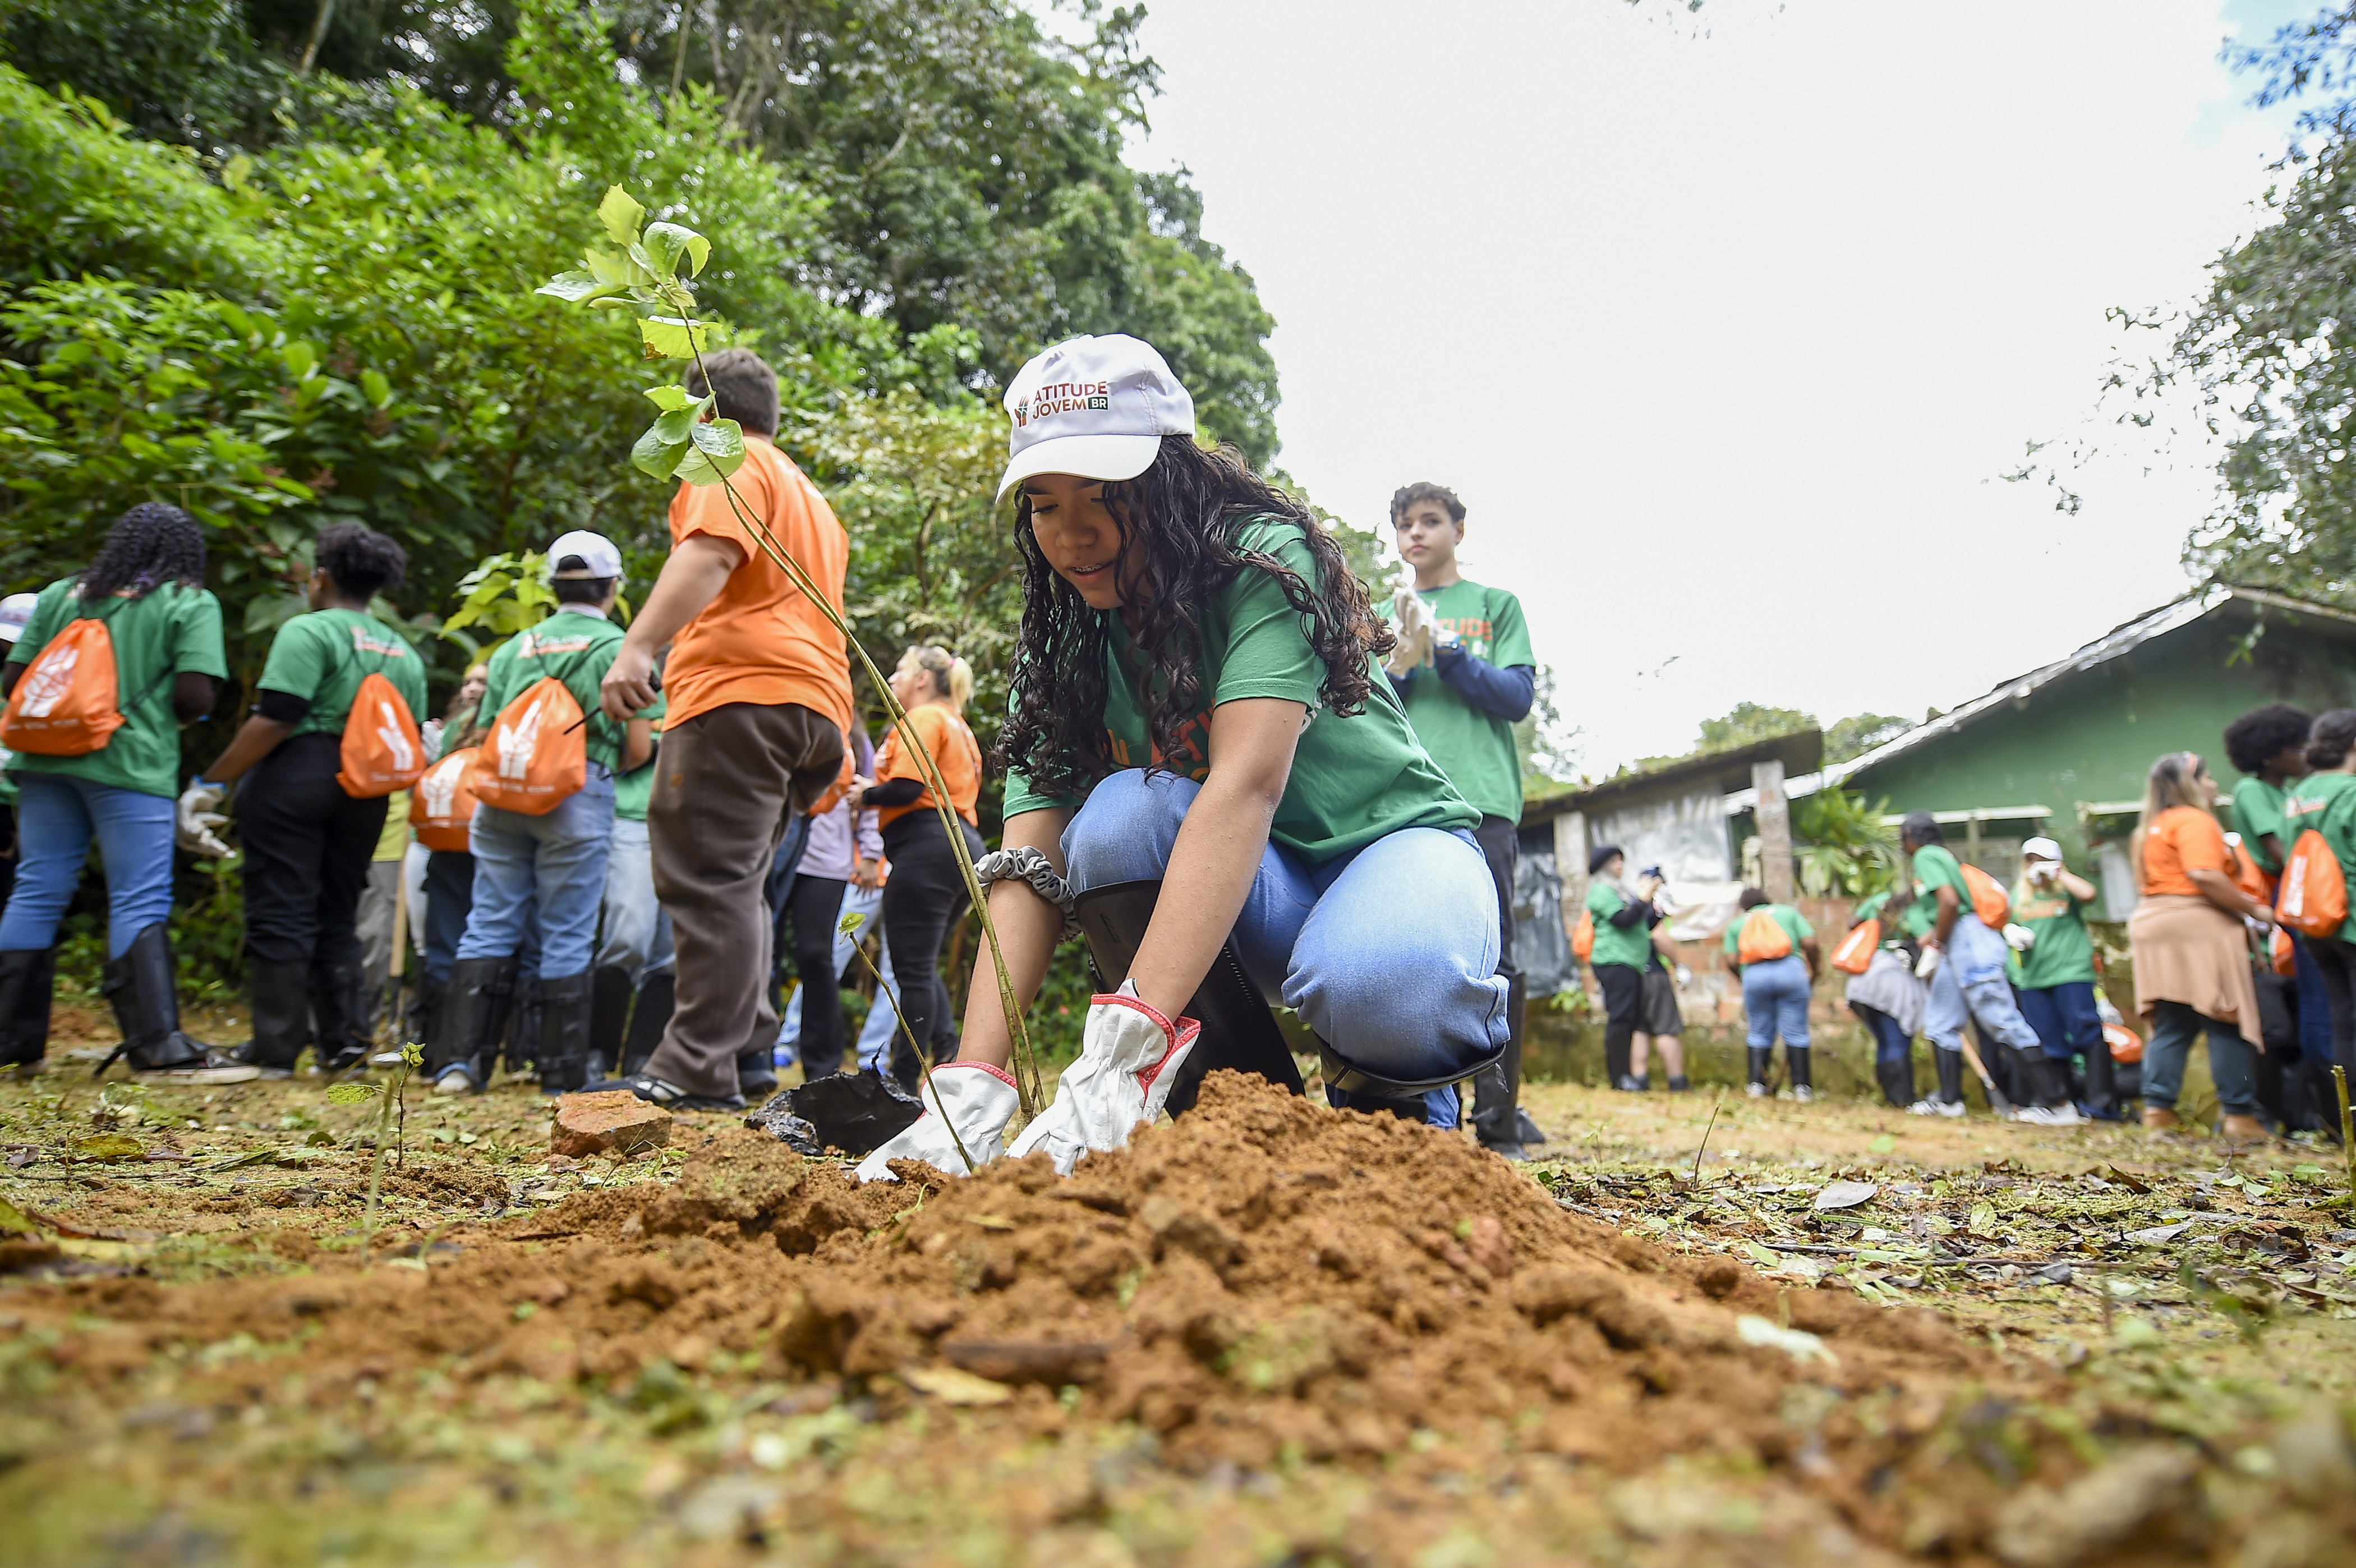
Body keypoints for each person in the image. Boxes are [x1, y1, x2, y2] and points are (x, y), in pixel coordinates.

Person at [858, 333, 1508, 1180]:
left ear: (1169, 476)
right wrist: (974, 1080)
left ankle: (1395, 1116)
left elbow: (1242, 786)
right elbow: (1025, 866)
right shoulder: (1064, 646)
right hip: (1252, 892)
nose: (1073, 531)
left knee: (1381, 981)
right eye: (1045, 503)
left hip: (1393, 851)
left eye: (1104, 493)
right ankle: (1243, 1115)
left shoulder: (1262, 561)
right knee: (1118, 818)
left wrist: (1119, 1043)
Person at [595, 348, 853, 1112]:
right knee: (739, 884)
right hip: (811, 704)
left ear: (704, 416)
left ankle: (693, 1063)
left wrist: (637, 645)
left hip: (740, 694)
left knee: (709, 878)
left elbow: (710, 553)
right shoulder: (810, 495)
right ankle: (744, 1053)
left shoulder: (727, 458)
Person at [0, 504, 251, 1080]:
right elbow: (194, 697)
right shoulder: (188, 601)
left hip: (42, 760)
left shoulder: (65, 594)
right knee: (138, 895)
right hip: (129, 765)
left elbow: (15, 682)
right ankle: (157, 1047)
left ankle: (12, 1044)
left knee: (37, 888)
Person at [191, 524, 427, 1076]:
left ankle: (275, 1046)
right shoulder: (404, 651)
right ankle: (344, 1046)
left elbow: (277, 715)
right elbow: (408, 733)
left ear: (321, 578)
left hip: (298, 774)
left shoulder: (309, 630)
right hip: (365, 789)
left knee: (282, 906)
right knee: (338, 912)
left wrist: (214, 780)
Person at [431, 532, 655, 1096]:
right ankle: (560, 1070)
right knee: (568, 928)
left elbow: (488, 729)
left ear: (553, 586)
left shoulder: (514, 647)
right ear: (612, 587)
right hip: (575, 799)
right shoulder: (618, 648)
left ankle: (461, 1063)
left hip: (502, 799)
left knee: (489, 918)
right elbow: (639, 750)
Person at [1378, 481, 1540, 1154]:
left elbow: (1516, 696)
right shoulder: (1386, 609)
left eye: (1431, 521)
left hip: (1485, 800)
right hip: (1407, 799)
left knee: (1493, 953)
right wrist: (1405, 665)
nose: (1417, 533)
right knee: (1412, 950)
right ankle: (1418, 1108)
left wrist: (1446, 650)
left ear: (1459, 530)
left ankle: (1498, 1120)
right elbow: (1372, 703)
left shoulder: (1495, 605)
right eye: (1406, 524)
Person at [849, 646, 985, 1091]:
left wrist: (865, 795)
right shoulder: (960, 727)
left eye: (900, 671)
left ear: (924, 679)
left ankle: (904, 1081)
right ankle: (945, 1047)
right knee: (921, 964)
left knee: (910, 969)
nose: (891, 679)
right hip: (960, 845)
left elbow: (908, 788)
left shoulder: (924, 718)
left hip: (928, 844)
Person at [2129, 751, 2274, 1139]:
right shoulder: (2196, 820)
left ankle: (2158, 1112)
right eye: (2208, 778)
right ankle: (2239, 1116)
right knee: (2226, 1017)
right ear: (2191, 783)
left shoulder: (2150, 827)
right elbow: (2204, 874)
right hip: (2196, 924)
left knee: (2174, 1022)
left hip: (2152, 922)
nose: (2214, 785)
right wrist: (2254, 909)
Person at [1896, 812, 2047, 1119]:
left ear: (1912, 836)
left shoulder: (1927, 856)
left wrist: (1936, 945)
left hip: (1968, 940)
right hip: (1957, 942)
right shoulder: (1942, 857)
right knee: (1940, 1022)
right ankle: (1951, 1101)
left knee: (2002, 1020)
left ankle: (2055, 1103)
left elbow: (1949, 902)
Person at [2225, 702, 2327, 1130]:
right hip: (2293, 890)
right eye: (2292, 745)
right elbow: (2282, 854)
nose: (2301, 751)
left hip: (2306, 886)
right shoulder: (2253, 791)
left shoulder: (2288, 791)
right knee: (2319, 997)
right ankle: (2319, 1113)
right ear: (2268, 752)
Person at [775, 725, 884, 1076]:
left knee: (817, 955)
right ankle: (755, 1056)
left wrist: (870, 852)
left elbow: (866, 799)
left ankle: (822, 1067)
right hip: (774, 852)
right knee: (764, 949)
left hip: (828, 864)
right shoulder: (789, 716)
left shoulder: (854, 738)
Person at [588, 715, 676, 1080]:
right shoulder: (638, 679)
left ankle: (645, 1056)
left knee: (671, 951)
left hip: (688, 824)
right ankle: (598, 1050)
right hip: (630, 818)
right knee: (627, 934)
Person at [2286, 710, 2356, 1132]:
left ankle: (2345, 1118)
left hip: (2315, 925)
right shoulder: (2350, 790)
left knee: (2343, 1022)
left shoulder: (2299, 794)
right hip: (2352, 914)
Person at [2008, 836, 2105, 1124]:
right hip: (2034, 977)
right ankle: (2063, 1104)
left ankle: (2102, 1105)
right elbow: (2004, 919)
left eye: (2042, 859)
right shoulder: (2019, 894)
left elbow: (2089, 894)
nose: (2035, 865)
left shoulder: (2065, 888)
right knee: (2048, 1040)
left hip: (2070, 972)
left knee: (2086, 1032)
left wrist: (2058, 874)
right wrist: (2012, 934)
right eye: (2030, 859)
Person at [1720, 886, 1820, 1098]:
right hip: (1790, 971)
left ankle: (1757, 1085)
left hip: (1754, 975)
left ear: (1743, 907)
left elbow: (1730, 959)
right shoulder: (1787, 913)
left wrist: (1743, 977)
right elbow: (1810, 942)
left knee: (1759, 1032)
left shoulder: (1738, 923)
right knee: (1796, 1032)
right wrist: (1816, 969)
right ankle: (1802, 1088)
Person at [1584, 846, 1661, 1091]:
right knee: (1621, 1018)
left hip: (1632, 962)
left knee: (1630, 1019)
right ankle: (1619, 1077)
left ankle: (1627, 1074)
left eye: (1621, 861)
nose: (1620, 866)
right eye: (1615, 861)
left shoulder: (1622, 891)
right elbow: (1623, 920)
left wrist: (1656, 910)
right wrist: (1643, 900)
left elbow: (1642, 922)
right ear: (1604, 865)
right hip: (1614, 960)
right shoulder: (1601, 890)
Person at [1842, 890, 1927, 1108]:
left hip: (1862, 980)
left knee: (1884, 1040)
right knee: (1896, 1039)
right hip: (1891, 979)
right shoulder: (1914, 909)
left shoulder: (1877, 901)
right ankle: (1903, 1099)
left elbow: (1853, 923)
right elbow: (1925, 937)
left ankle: (1890, 1097)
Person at [1634, 925, 1690, 1093]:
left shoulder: (1624, 902)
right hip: (1653, 972)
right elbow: (1658, 936)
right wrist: (1678, 964)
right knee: (1666, 1028)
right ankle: (1677, 1080)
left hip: (1632, 973)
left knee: (1639, 1028)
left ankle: (1639, 1079)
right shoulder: (1650, 906)